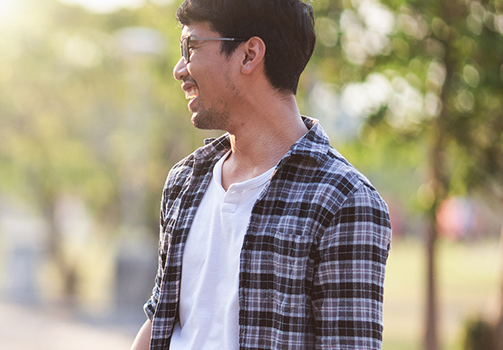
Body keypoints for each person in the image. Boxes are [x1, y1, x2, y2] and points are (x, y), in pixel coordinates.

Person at [130, 0, 392, 349]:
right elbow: (161, 319)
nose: (179, 69)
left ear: (249, 54)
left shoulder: (343, 200)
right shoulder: (184, 181)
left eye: (191, 47)